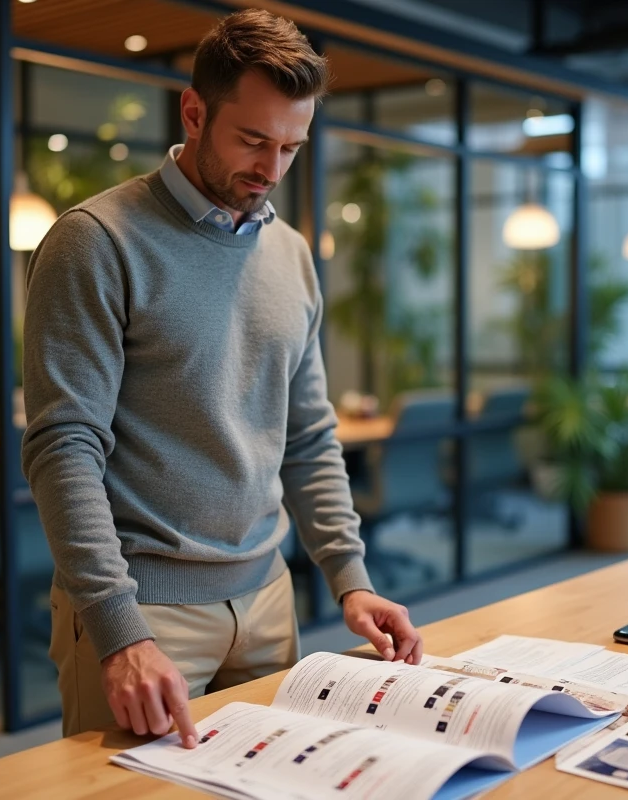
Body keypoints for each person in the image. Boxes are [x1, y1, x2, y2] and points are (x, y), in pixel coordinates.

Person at [21, 8, 424, 748]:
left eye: (291, 147)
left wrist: (351, 576)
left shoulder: (292, 253)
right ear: (195, 112)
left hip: (269, 599)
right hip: (146, 614)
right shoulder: (98, 242)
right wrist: (117, 630)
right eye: (252, 140)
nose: (270, 169)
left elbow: (306, 435)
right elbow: (64, 447)